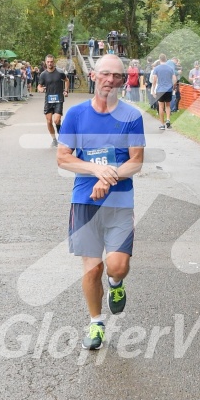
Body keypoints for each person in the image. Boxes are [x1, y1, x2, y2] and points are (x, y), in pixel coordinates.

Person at [57, 54, 145, 350]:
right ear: (93, 75)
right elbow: (63, 157)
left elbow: (136, 162)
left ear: (122, 81)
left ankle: (117, 286)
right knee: (92, 269)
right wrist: (96, 170)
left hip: (120, 201)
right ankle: (96, 323)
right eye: (105, 74)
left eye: (117, 76)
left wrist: (107, 179)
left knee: (117, 267)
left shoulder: (132, 117)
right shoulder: (76, 115)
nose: (110, 80)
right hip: (84, 200)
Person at [38, 54, 69, 147]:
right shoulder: (43, 74)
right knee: (48, 121)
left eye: (51, 62)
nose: (50, 63)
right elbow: (39, 85)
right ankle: (54, 139)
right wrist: (40, 89)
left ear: (53, 62)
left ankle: (61, 137)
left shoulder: (60, 72)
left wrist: (66, 91)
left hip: (58, 98)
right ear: (45, 62)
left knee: (57, 120)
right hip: (48, 100)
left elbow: (67, 80)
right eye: (48, 62)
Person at [151, 53, 176, 130]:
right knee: (168, 105)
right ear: (166, 59)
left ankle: (162, 124)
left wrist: (153, 89)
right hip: (168, 90)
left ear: (159, 59)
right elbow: (174, 79)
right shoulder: (170, 68)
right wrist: (174, 87)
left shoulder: (157, 68)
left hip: (160, 90)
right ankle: (168, 120)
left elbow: (154, 80)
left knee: (161, 107)